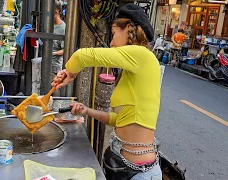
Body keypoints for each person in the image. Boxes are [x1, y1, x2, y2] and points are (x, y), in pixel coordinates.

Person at [52, 4, 162, 180]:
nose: (110, 42)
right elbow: (119, 121)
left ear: (128, 28)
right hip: (120, 165)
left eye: (113, 32)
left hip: (140, 174)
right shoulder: (134, 69)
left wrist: (70, 73)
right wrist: (86, 110)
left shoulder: (143, 56)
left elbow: (82, 56)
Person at [52, 1, 66, 96]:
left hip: (55, 67)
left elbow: (65, 50)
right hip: (45, 63)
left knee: (54, 90)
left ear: (56, 12)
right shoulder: (49, 25)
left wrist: (53, 54)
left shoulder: (63, 28)